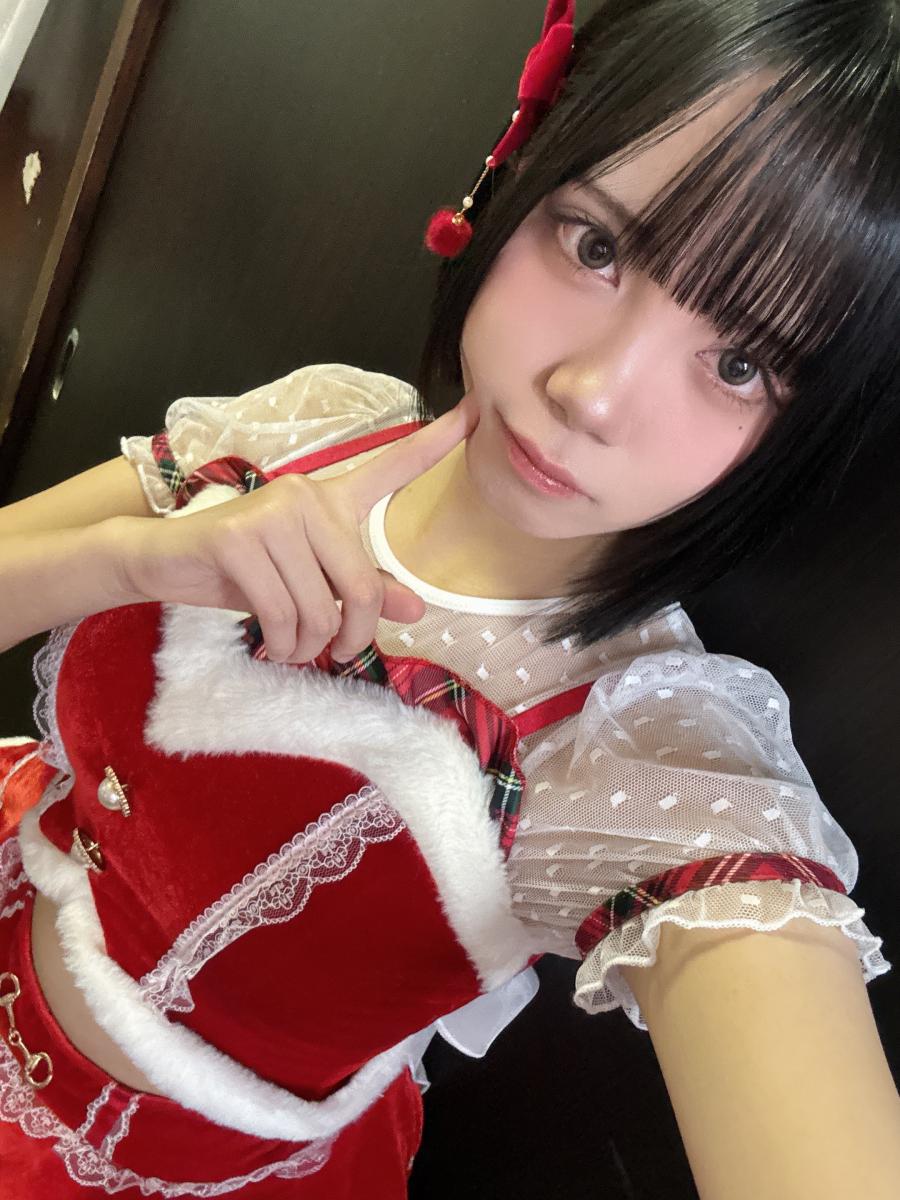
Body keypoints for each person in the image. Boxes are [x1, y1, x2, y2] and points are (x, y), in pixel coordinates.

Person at [1, 0, 899, 1195]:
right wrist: (126, 560)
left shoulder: (641, 754)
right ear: (511, 177)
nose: (592, 392)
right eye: (597, 246)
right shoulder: (317, 424)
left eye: (740, 363)